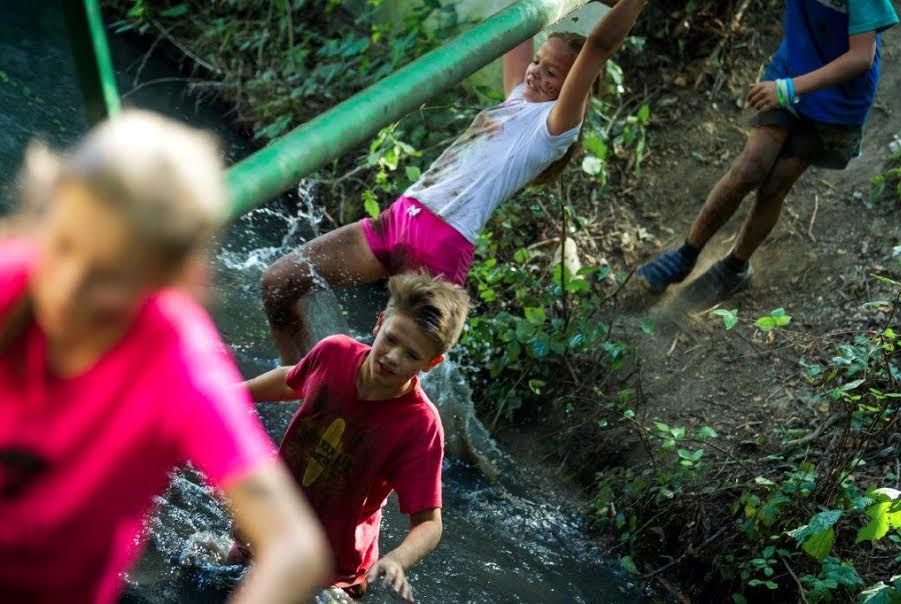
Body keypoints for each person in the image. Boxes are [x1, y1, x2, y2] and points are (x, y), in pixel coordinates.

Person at [0, 111, 330, 603]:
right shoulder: (13, 276)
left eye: (109, 275)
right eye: (64, 244)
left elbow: (295, 546)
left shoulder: (177, 363)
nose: (70, 285)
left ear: (168, 280)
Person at [261, 0, 648, 363]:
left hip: (439, 248)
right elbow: (521, 20)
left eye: (551, 72)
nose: (535, 72)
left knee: (388, 370)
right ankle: (301, 384)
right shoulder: (517, 96)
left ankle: (368, 419)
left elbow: (599, 46)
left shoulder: (552, 129)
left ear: (571, 89)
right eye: (538, 62)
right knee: (278, 284)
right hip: (398, 219)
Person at [637, 0, 900, 303]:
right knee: (751, 167)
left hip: (837, 98)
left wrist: (788, 89)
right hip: (793, 66)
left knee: (776, 184)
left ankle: (735, 267)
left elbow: (861, 57)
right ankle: (685, 256)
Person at [234, 272, 471, 601]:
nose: (392, 357)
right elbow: (292, 379)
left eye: (412, 355)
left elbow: (430, 523)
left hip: (331, 571)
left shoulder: (419, 426)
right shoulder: (334, 354)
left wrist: (396, 560)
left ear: (432, 363)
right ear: (380, 322)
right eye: (391, 339)